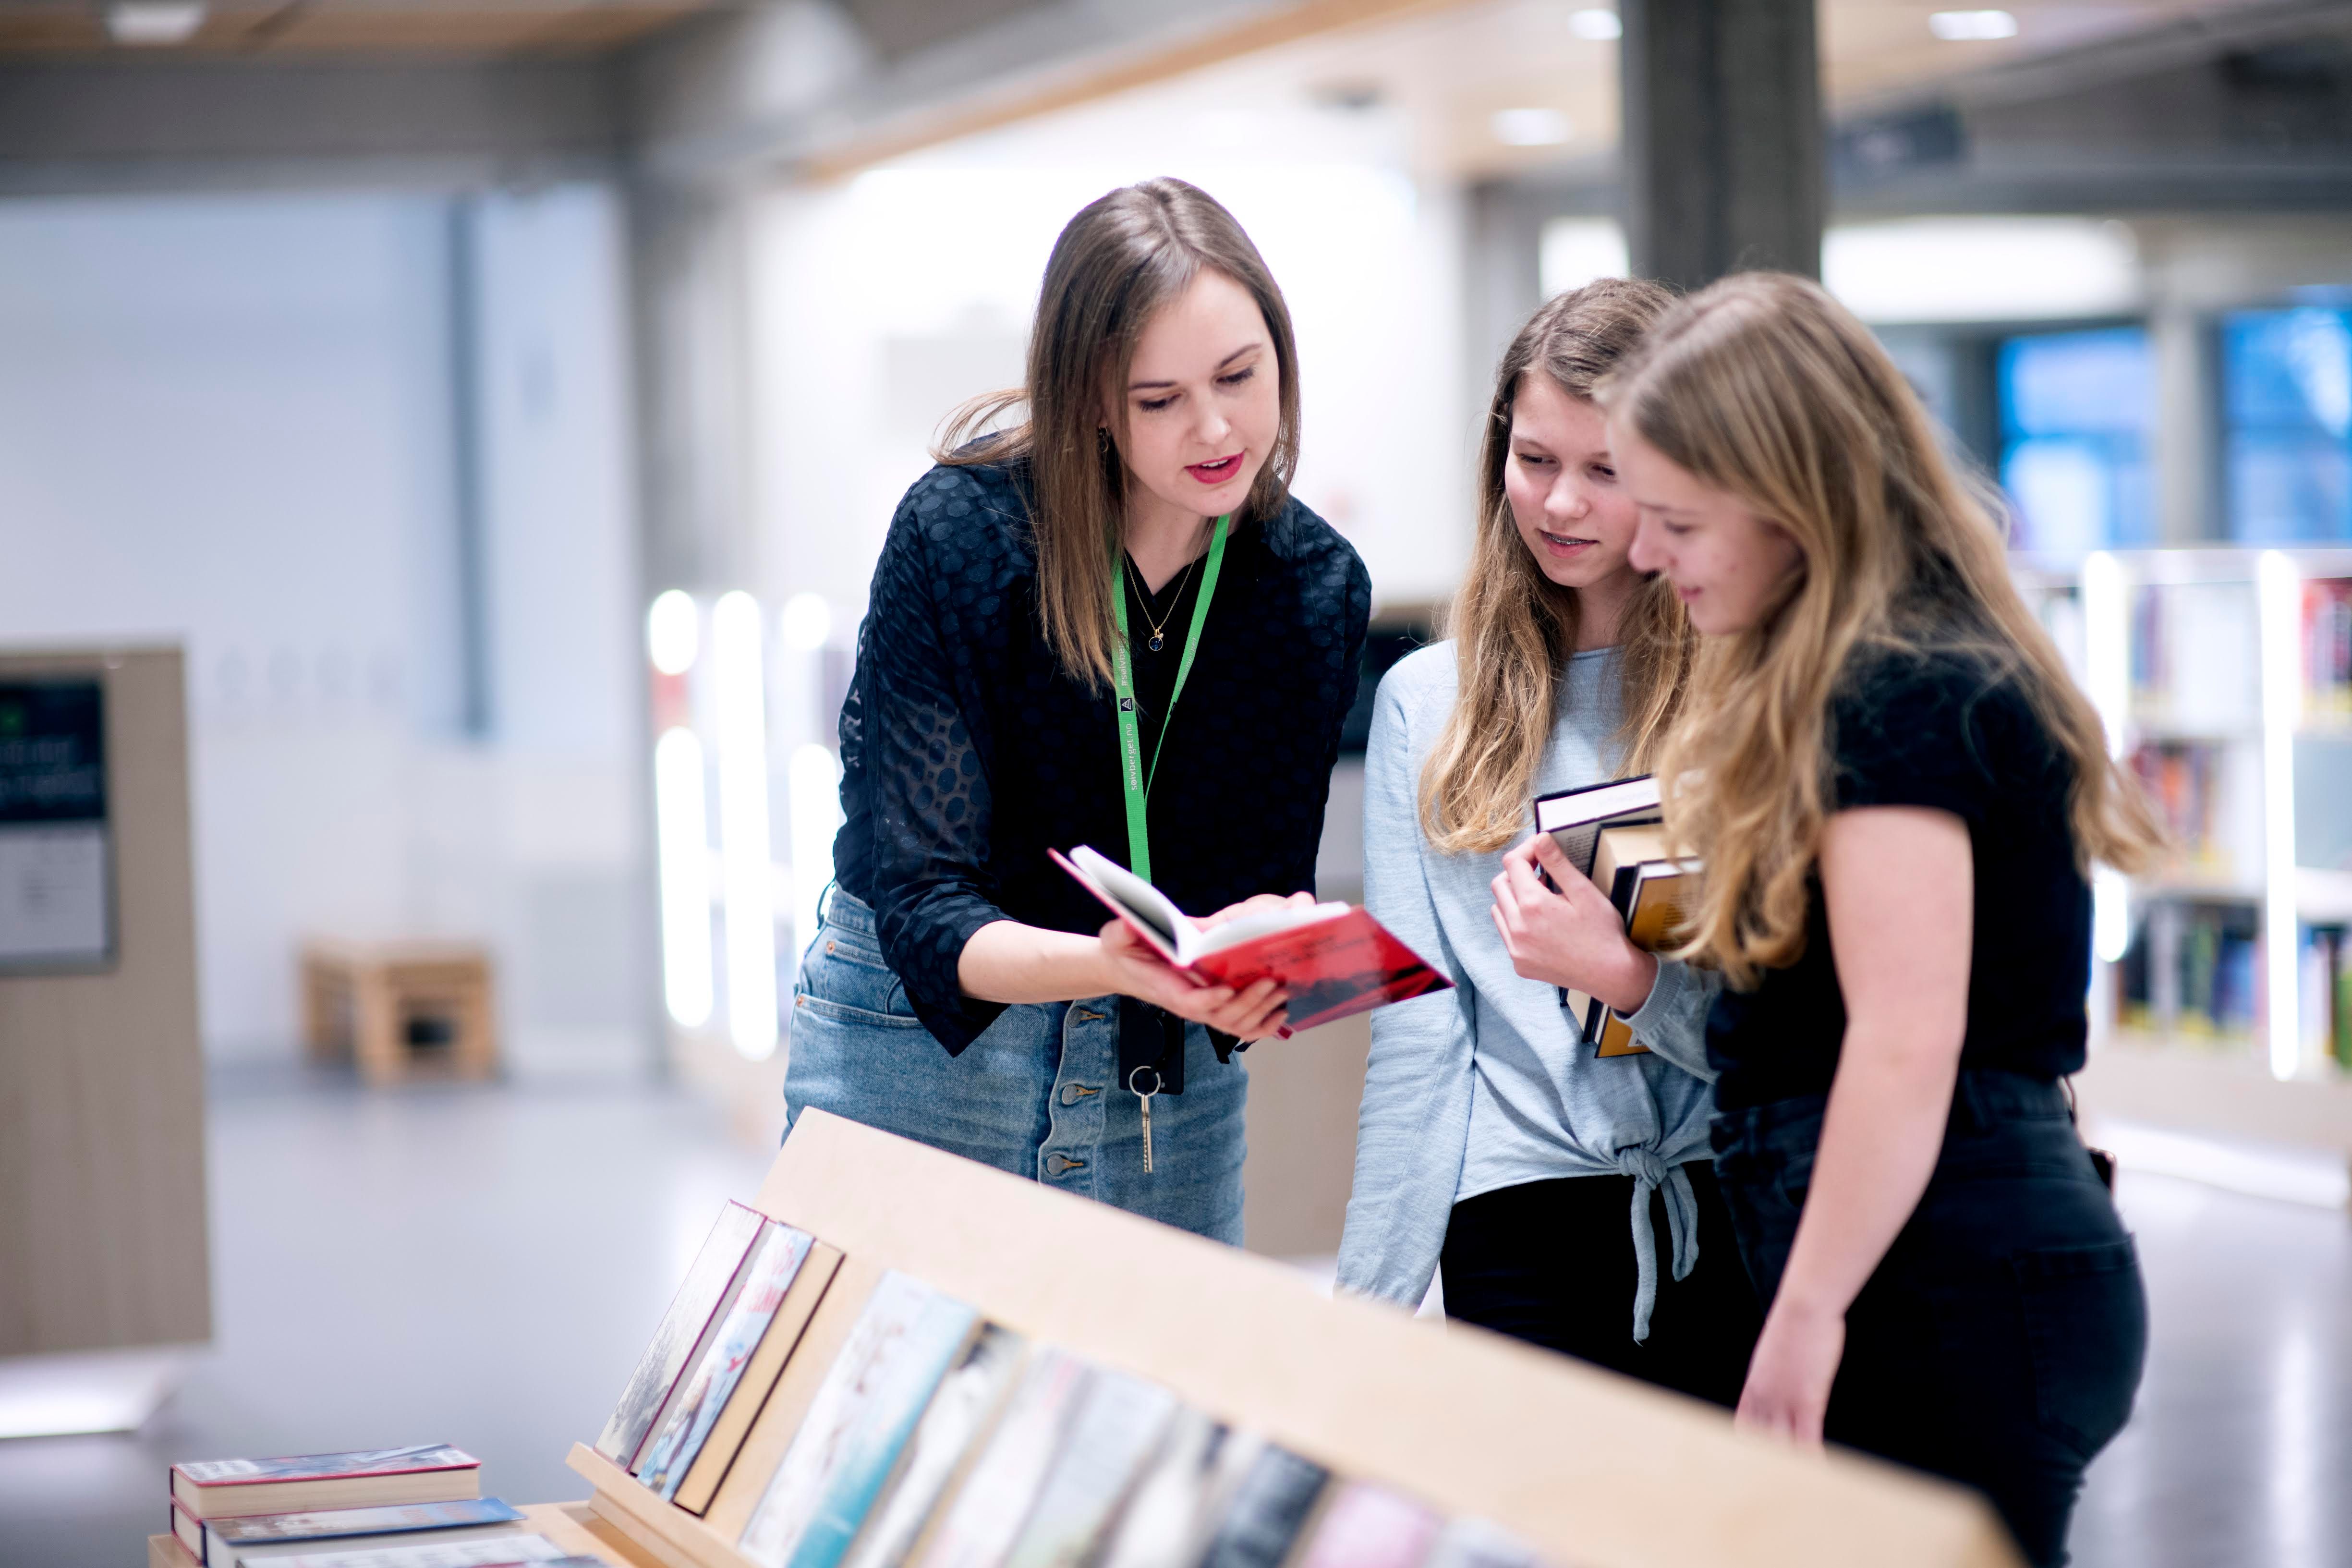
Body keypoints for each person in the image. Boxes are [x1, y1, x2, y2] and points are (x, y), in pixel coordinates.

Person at [1602, 272, 2162, 1566]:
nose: (1644, 553)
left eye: (1677, 521)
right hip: (1952, 1250)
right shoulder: (1881, 668)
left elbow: (1906, 1040)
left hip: (1948, 1270)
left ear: (1791, 505)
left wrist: (1802, 1316)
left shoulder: (1896, 687)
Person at [784, 178, 1371, 1246]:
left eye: (1241, 376)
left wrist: (1259, 961)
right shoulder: (962, 536)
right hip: (929, 1062)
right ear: (1092, 400)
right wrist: (1107, 963)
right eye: (1159, 399)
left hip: (1162, 1086)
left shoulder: (1310, 587)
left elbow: (1256, 888)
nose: (1215, 426)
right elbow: (920, 900)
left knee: (1151, 1406)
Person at [1337, 280, 1760, 1407]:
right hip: (1514, 1224)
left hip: (1731, 1203)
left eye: (1606, 470)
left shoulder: (1743, 684)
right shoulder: (1428, 705)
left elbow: (1790, 1039)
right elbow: (1418, 1041)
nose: (1561, 503)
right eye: (1534, 460)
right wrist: (1361, 1326)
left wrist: (1628, 981)